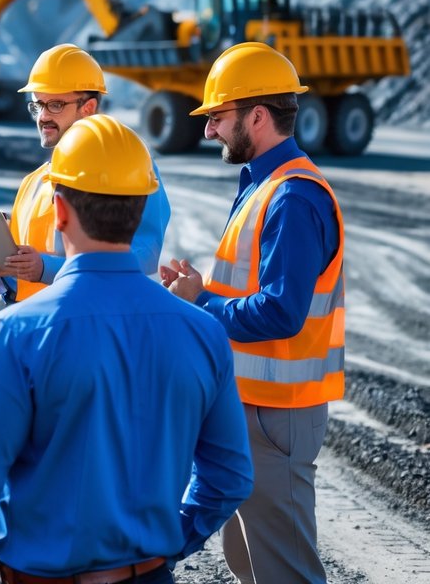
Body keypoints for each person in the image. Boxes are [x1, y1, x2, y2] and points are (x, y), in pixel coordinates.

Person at [0, 115, 253, 583]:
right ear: (140, 210)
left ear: (60, 210)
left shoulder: (18, 330)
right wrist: (172, 540)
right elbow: (230, 477)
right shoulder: (203, 331)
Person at [161, 42, 345, 584]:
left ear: (258, 116)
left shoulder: (293, 197)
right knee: (251, 565)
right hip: (255, 406)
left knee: (285, 571)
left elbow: (283, 313)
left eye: (217, 117)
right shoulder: (266, 187)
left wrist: (201, 301)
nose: (209, 130)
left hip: (276, 413)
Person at [0, 43, 170, 302]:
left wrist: (46, 269)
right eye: (37, 105)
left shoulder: (129, 164)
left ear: (87, 108)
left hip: (87, 323)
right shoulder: (33, 183)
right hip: (30, 325)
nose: (42, 117)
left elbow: (143, 255)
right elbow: (25, 276)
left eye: (54, 105)